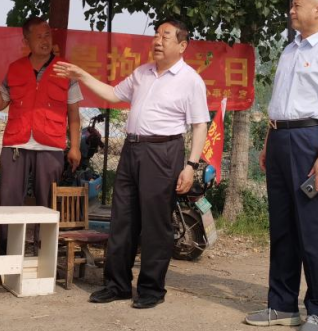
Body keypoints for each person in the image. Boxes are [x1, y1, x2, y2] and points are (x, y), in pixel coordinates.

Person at [54, 19, 209, 309]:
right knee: (122, 218)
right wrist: (82, 75)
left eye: (165, 36)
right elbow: (113, 94)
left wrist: (190, 165)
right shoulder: (142, 73)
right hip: (132, 149)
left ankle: (151, 288)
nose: (157, 41)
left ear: (182, 45)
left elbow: (200, 125)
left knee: (154, 223)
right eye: (156, 35)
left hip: (163, 151)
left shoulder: (190, 80)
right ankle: (117, 285)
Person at [244, 0, 318, 331]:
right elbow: (279, 102)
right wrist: (268, 142)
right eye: (291, 5)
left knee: (313, 228)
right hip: (280, 138)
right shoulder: (290, 50)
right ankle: (282, 305)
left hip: (310, 141)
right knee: (282, 226)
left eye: (297, 5)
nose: (291, 10)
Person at [0, 17, 82, 252]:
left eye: (47, 35)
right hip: (16, 144)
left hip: (51, 146)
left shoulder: (66, 70)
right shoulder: (15, 68)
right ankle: (8, 253)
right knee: (9, 202)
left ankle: (44, 255)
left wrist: (74, 147)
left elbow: (74, 113)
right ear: (26, 41)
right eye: (39, 36)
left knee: (47, 204)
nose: (45, 40)